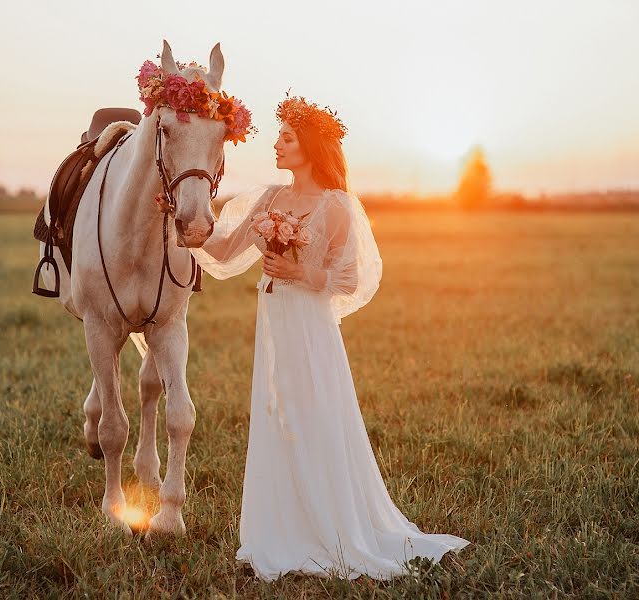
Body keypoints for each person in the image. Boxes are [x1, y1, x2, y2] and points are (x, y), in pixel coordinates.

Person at [190, 96, 470, 581]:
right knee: (278, 416)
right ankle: (282, 528)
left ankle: (334, 527)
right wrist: (184, 228)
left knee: (314, 414)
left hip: (310, 326)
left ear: (310, 148)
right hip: (274, 321)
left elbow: (349, 280)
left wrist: (298, 270)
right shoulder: (270, 200)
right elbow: (226, 246)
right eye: (278, 136)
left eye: (287, 137)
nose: (276, 144)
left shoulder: (335, 206)